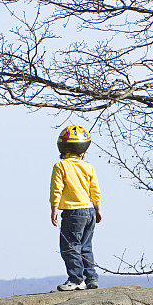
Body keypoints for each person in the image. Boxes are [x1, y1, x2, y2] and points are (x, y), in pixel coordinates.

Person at [50, 125, 102, 291]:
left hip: (73, 212)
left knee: (70, 246)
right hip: (90, 211)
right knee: (86, 246)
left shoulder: (61, 166)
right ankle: (91, 278)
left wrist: (54, 209)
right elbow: (95, 190)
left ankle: (76, 279)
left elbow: (56, 188)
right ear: (83, 152)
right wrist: (98, 209)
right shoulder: (88, 167)